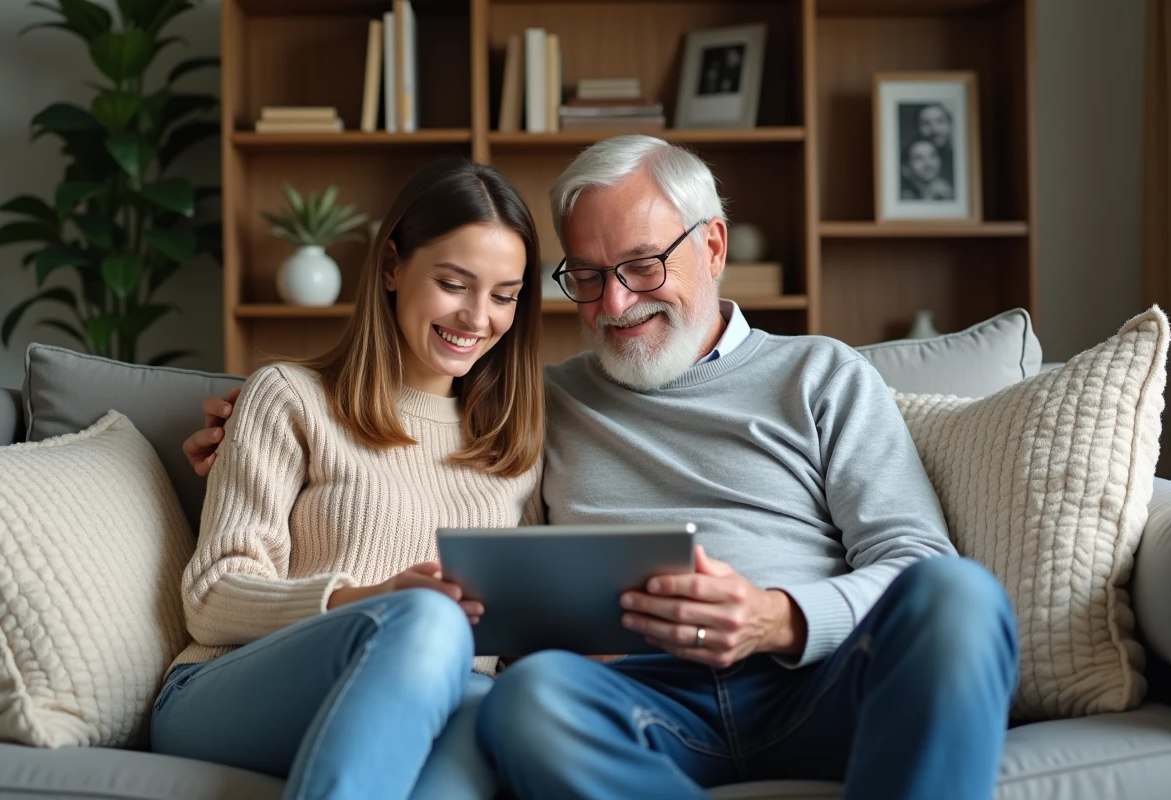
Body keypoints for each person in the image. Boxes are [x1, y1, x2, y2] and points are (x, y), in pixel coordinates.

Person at [186, 135, 1020, 799]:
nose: (615, 305)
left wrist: (777, 617)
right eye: (585, 277)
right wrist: (241, 425)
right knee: (530, 701)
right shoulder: (533, 406)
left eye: (642, 266)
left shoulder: (823, 375)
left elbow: (917, 564)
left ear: (714, 245)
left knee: (961, 595)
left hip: (813, 684)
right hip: (638, 703)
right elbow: (391, 423)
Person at [156, 157, 545, 800]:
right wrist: (374, 599)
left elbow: (507, 638)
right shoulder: (290, 398)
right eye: (454, 283)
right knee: (426, 621)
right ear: (392, 266)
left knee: (489, 716)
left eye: (504, 296)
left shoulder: (515, 446)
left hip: (445, 696)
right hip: (231, 689)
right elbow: (213, 597)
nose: (479, 318)